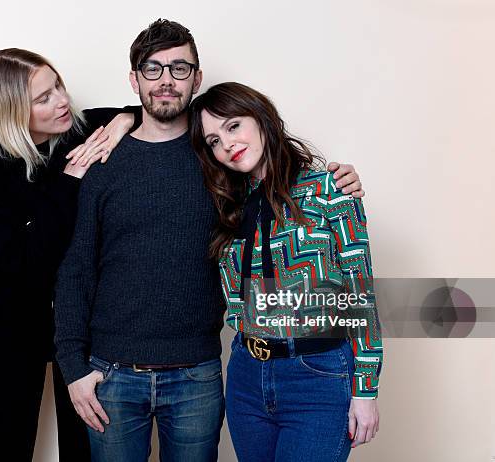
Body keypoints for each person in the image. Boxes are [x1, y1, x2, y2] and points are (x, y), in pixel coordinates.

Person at [54, 20, 365, 462]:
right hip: (111, 374)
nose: (166, 80)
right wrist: (72, 366)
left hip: (197, 376)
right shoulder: (102, 161)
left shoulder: (221, 161)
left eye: (180, 68)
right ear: (134, 80)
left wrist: (337, 182)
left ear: (197, 80)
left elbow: (282, 187)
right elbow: (77, 268)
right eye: (153, 69)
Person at [189, 81, 383, 461]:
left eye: (233, 126)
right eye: (213, 140)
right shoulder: (227, 203)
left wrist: (365, 390)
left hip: (318, 375)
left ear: (261, 119)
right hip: (246, 375)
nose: (226, 144)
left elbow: (360, 298)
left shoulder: (329, 189)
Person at [0, 48, 140, 461]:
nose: (61, 100)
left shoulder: (82, 129)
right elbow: (31, 262)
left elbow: (162, 109)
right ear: (12, 112)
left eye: (57, 85)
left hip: (80, 321)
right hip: (16, 320)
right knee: (11, 445)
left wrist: (123, 121)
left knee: (84, 447)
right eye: (43, 98)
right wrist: (69, 180)